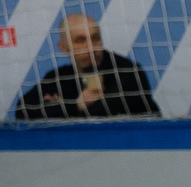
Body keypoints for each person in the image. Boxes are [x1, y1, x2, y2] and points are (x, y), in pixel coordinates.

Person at [13, 13, 159, 119]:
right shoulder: (58, 77)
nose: (90, 47)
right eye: (80, 40)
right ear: (63, 47)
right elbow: (23, 110)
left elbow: (100, 115)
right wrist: (75, 105)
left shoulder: (127, 71)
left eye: (95, 38)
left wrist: (59, 107)